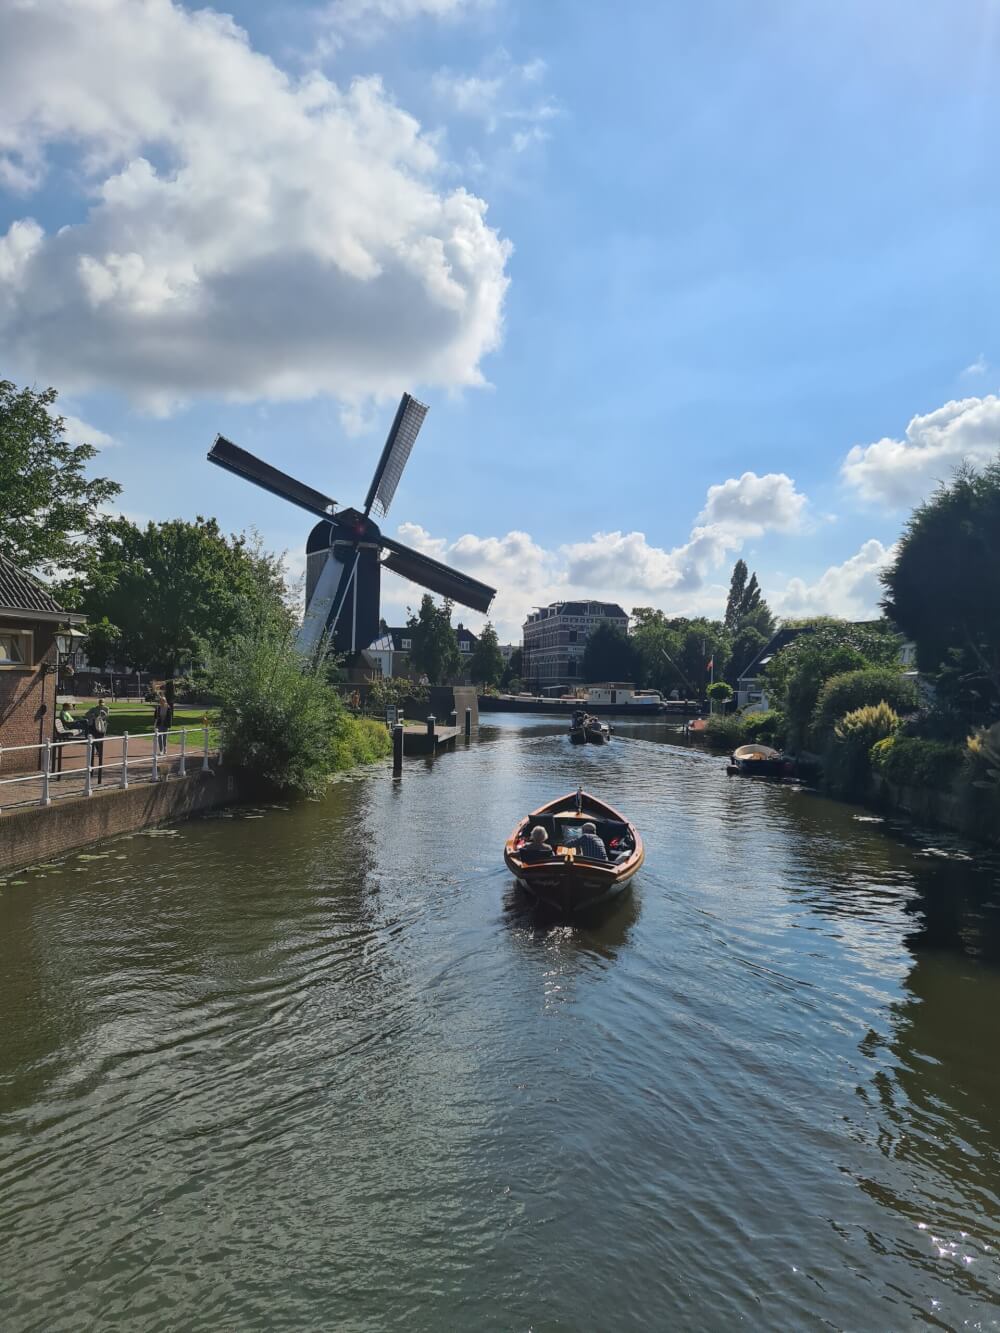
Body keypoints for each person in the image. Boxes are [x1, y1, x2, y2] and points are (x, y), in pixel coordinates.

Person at [85, 703, 110, 783]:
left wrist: (103, 718)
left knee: (98, 740)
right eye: (100, 705)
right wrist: (92, 716)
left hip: (100, 728)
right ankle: (98, 751)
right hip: (95, 727)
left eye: (101, 705)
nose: (101, 706)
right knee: (97, 740)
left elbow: (106, 716)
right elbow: (87, 714)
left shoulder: (105, 709)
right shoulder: (94, 709)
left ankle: (99, 750)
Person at [153, 691, 172, 755]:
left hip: (165, 725)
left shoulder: (168, 708)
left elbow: (170, 718)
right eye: (160, 701)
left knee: (165, 738)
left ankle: (165, 749)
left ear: (165, 701)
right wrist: (155, 724)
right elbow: (155, 717)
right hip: (159, 724)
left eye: (163, 701)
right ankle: (161, 750)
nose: (161, 702)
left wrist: (169, 725)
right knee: (159, 738)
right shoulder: (158, 708)